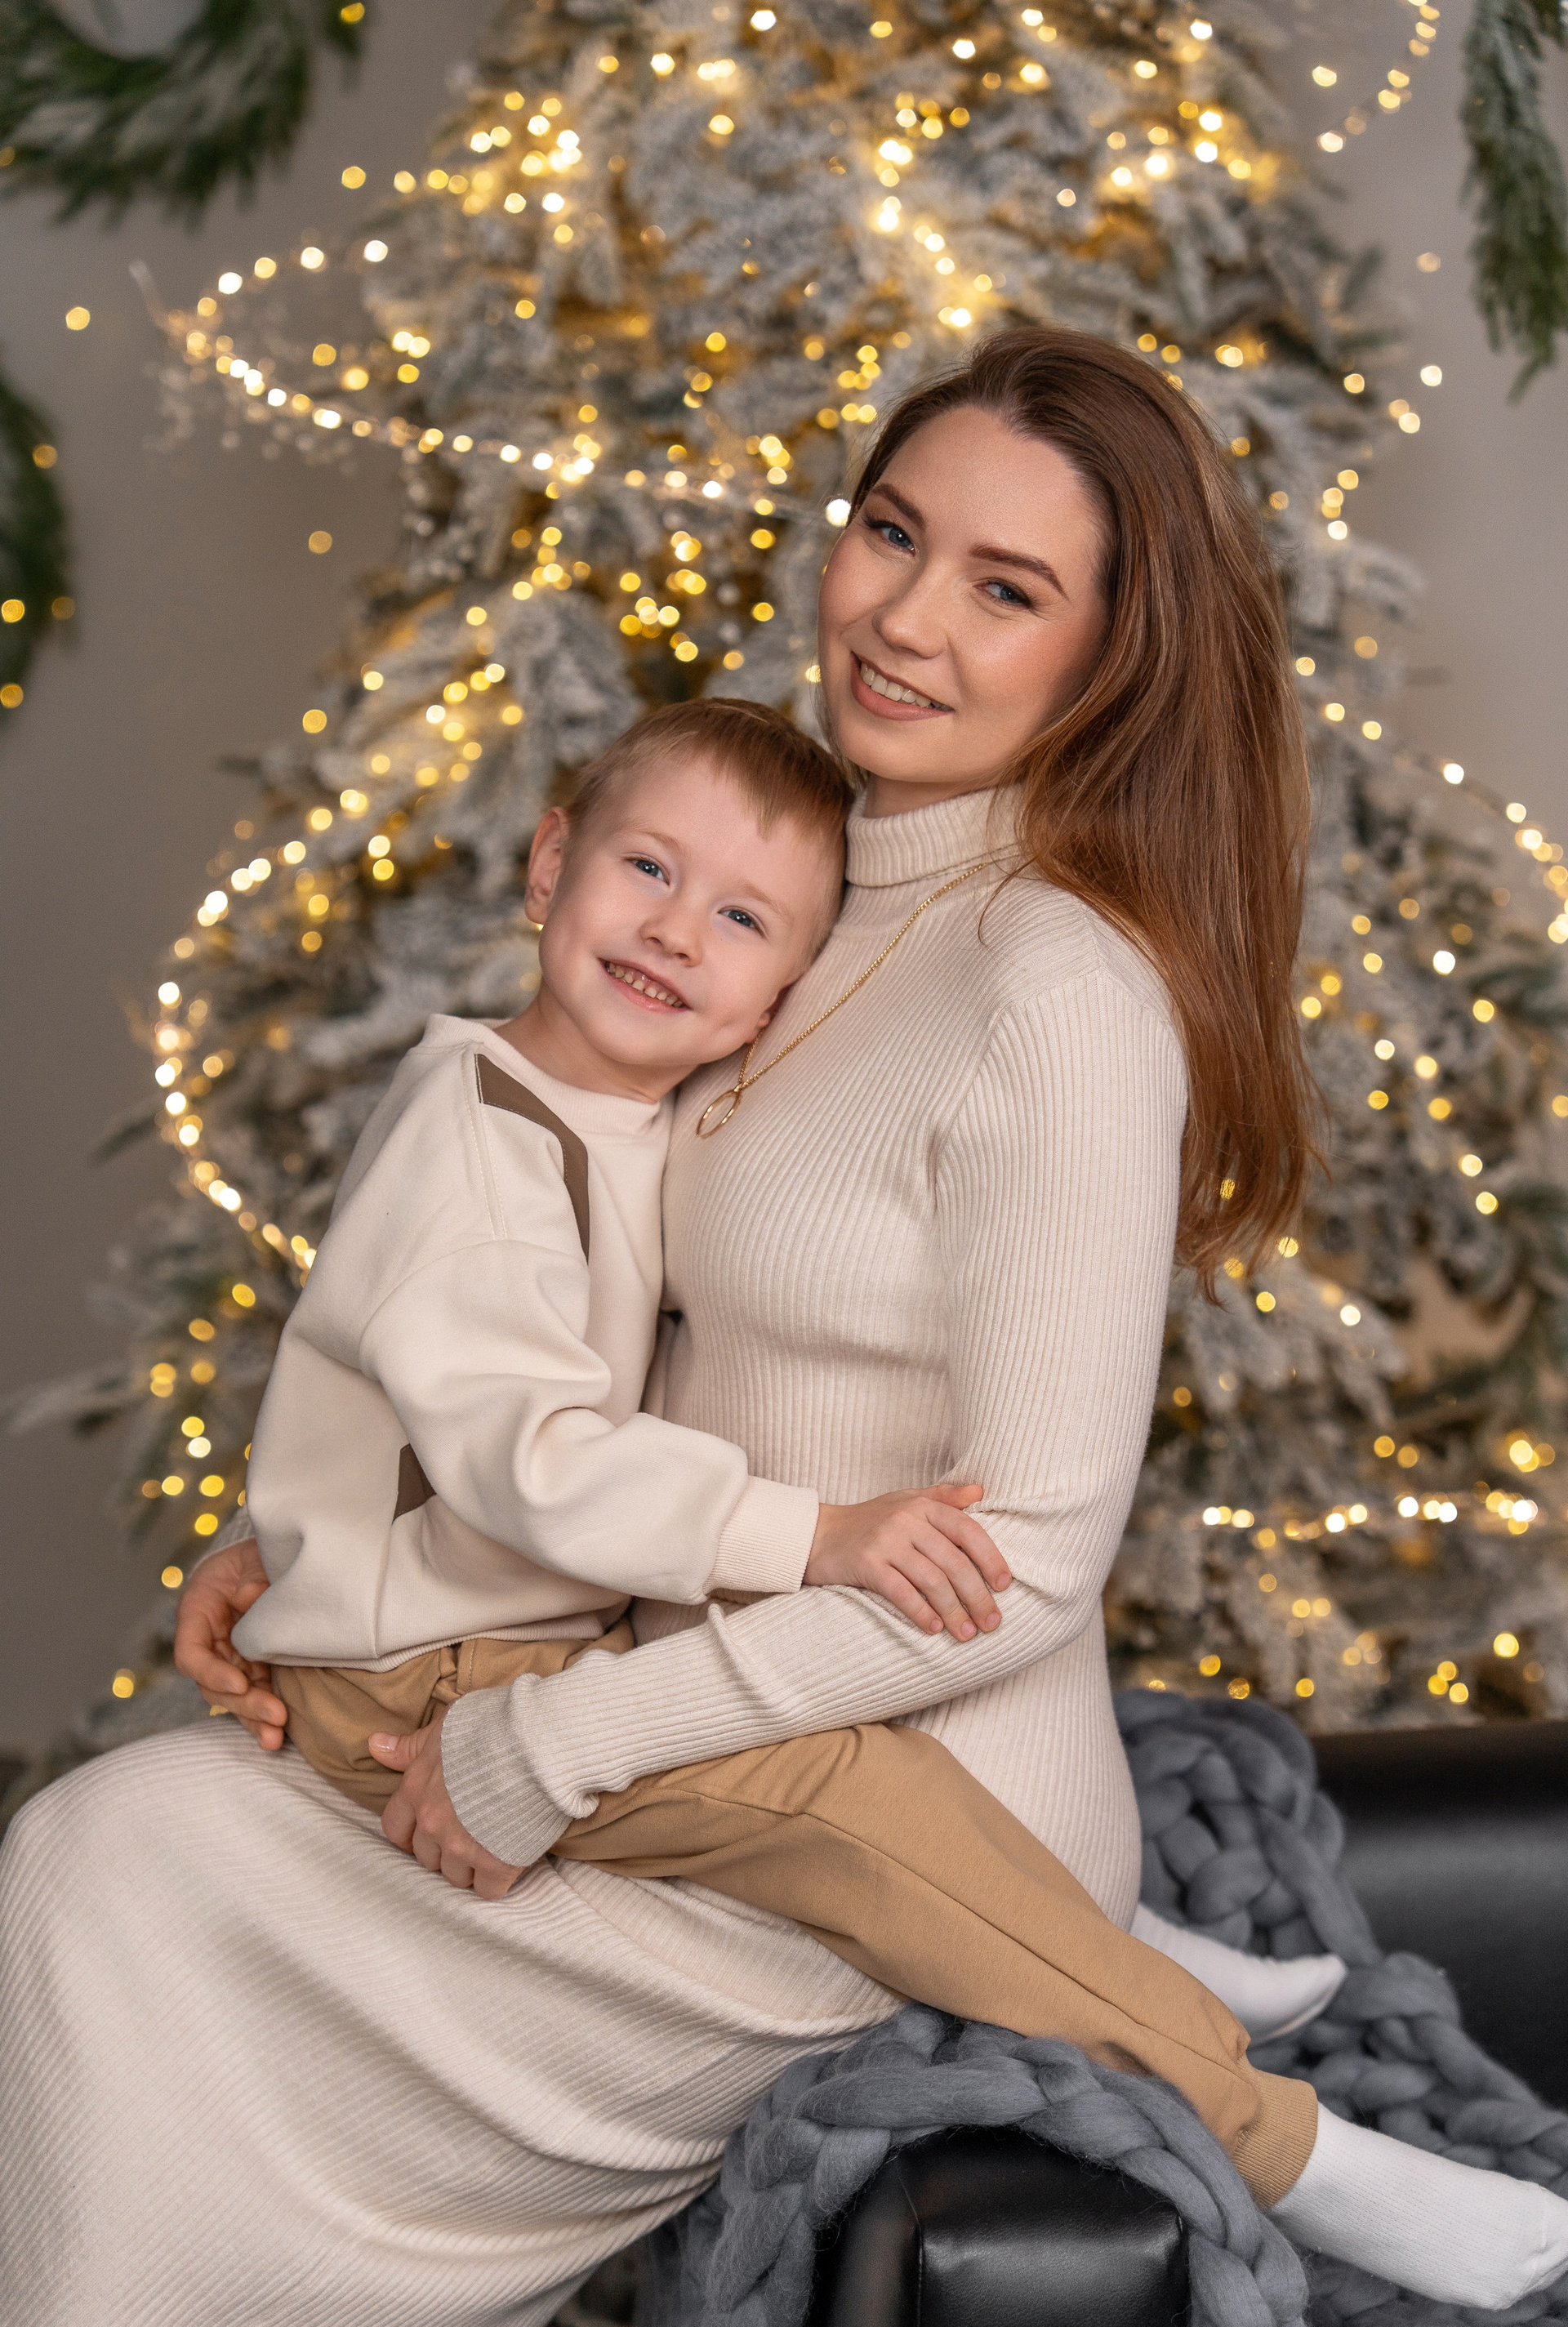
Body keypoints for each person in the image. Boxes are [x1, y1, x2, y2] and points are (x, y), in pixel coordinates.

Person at [4, 328, 1564, 2327]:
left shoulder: (1058, 990)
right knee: (104, 1849)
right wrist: (330, 1547)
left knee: (133, 1906)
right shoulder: (792, 896)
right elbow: (598, 1324)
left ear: (1111, 659)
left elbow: (1023, 1559)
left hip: (865, 1819)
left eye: (1004, 588)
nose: (905, 619)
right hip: (670, 1721)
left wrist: (555, 1745)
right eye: (891, 533)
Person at [206, 684, 1335, 2196]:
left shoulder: (623, 1109)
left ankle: (1099, 1943)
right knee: (847, 1802)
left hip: (507, 1625)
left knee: (835, 1769)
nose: (677, 932)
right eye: (647, 868)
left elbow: (426, 1375)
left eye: (742, 921)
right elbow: (528, 1456)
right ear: (549, 866)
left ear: (783, 1002)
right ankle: (1289, 2145)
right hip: (423, 1673)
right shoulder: (488, 1141)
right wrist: (818, 1535)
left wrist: (279, 1526)